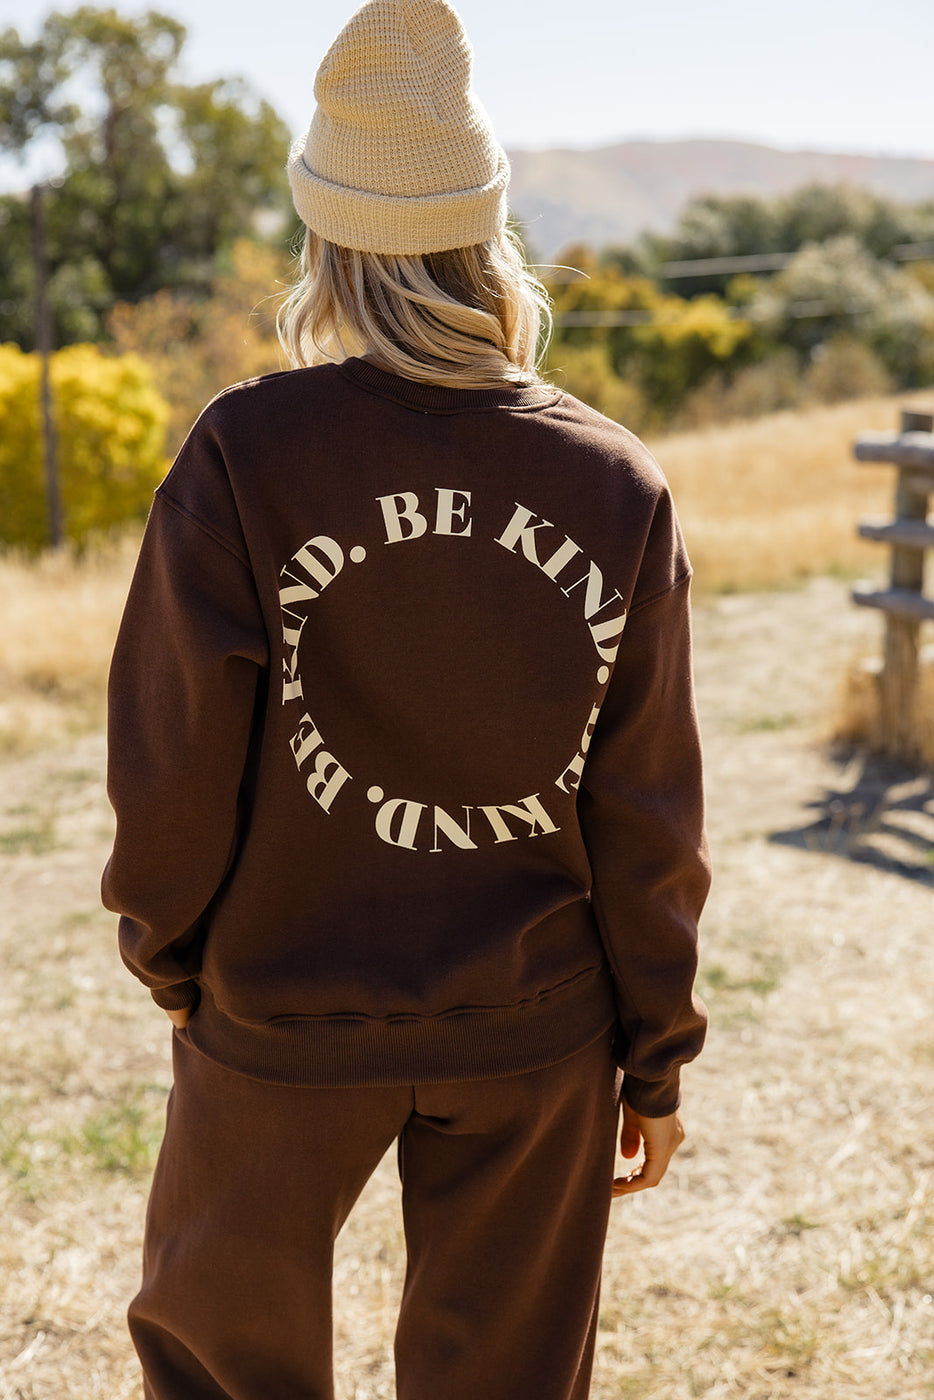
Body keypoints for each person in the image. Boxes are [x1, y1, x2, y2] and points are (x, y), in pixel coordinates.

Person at [102, 2, 710, 1397]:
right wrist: (653, 1057)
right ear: (484, 237)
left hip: (274, 1017)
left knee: (220, 1375)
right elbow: (647, 814)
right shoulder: (612, 481)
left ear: (324, 241)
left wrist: (177, 963)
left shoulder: (245, 453)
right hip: (536, 1029)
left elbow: (171, 760)